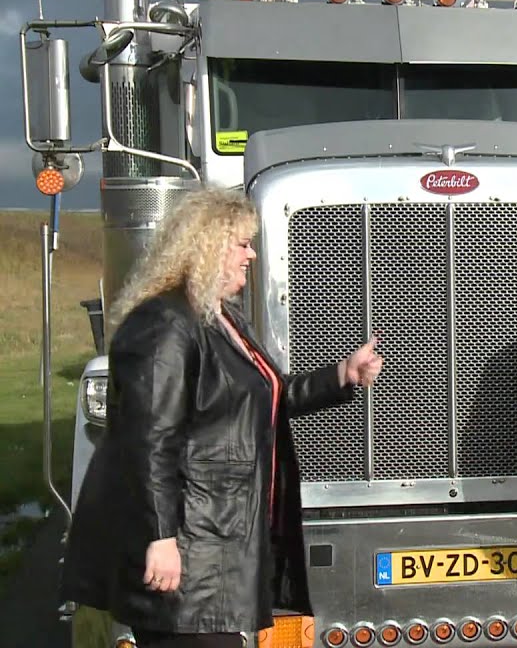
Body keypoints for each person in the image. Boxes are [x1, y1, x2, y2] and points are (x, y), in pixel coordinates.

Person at [60, 188, 384, 648]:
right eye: (242, 243)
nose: (251, 254)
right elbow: (148, 440)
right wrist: (160, 539)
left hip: (214, 549)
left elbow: (262, 396)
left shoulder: (220, 319)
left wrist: (342, 375)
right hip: (187, 559)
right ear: (207, 244)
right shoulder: (165, 325)